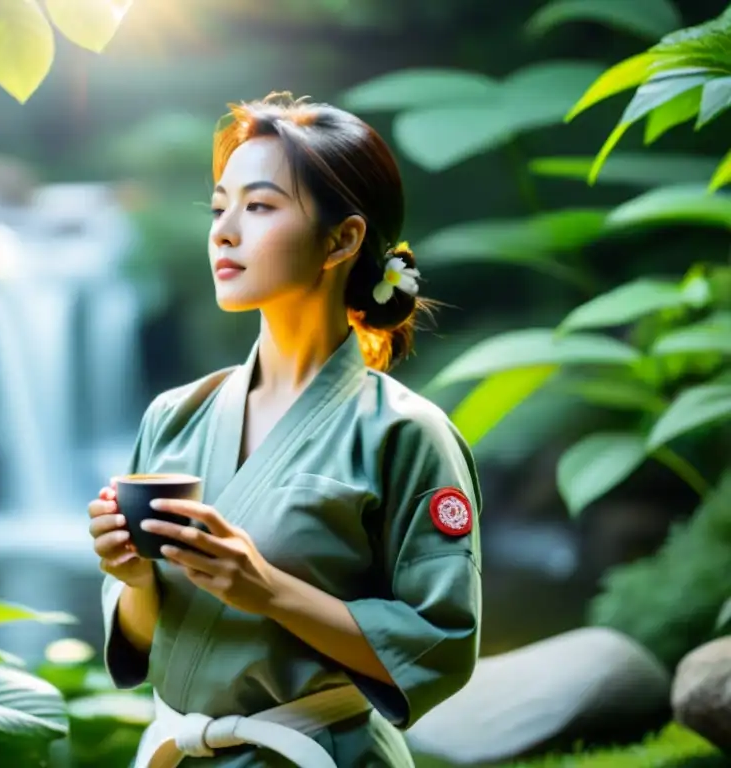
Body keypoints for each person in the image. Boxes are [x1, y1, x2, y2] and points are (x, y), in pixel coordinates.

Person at [88, 91, 482, 768]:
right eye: (219, 207)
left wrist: (267, 589)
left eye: (260, 206)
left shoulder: (407, 434)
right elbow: (144, 641)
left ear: (343, 238)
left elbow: (441, 642)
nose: (224, 230)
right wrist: (134, 577)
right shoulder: (174, 416)